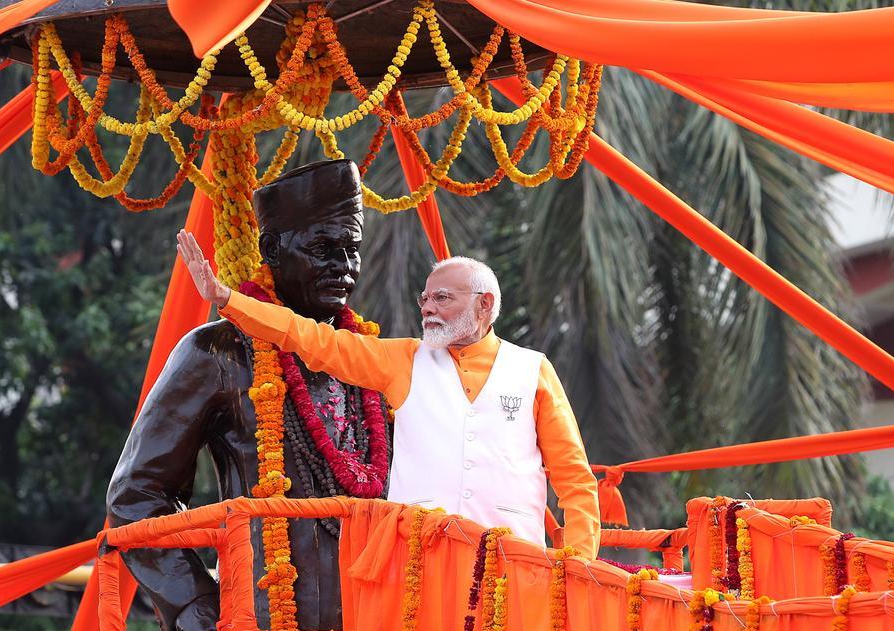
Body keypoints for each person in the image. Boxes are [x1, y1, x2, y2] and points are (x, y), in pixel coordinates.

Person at [107, 160, 389, 631]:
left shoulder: (372, 362)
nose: (342, 267)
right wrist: (199, 610)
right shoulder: (217, 352)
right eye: (323, 249)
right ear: (272, 251)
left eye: (352, 250)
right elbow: (136, 496)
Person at [178, 232, 601, 557]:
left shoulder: (532, 369)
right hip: (421, 559)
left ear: (484, 304)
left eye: (442, 298)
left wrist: (578, 563)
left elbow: (574, 478)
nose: (427, 308)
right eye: (425, 299)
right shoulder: (403, 360)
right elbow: (310, 338)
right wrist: (227, 299)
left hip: (515, 561)